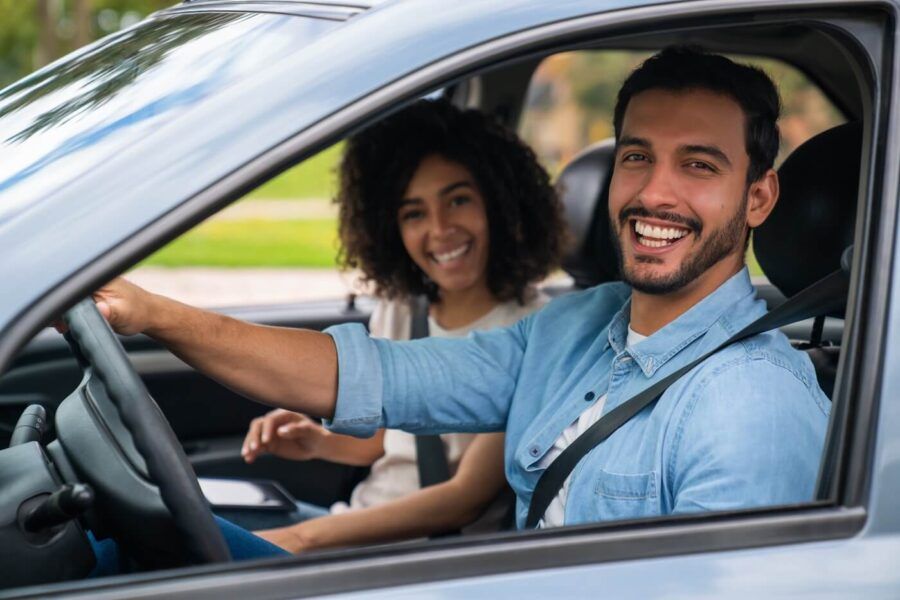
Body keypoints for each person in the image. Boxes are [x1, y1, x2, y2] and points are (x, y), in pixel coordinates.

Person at [85, 46, 828, 534]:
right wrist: (153, 313)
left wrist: (303, 543)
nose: (654, 193)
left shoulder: (750, 404)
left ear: (758, 198)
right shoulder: (575, 327)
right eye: (637, 157)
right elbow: (373, 375)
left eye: (698, 165)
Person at [229, 99, 565, 551]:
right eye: (414, 214)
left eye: (459, 200)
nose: (440, 229)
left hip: (419, 558)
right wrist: (318, 443)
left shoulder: (535, 330)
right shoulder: (404, 309)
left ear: (501, 204)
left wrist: (302, 539)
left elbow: (464, 499)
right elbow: (385, 442)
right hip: (354, 524)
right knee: (177, 521)